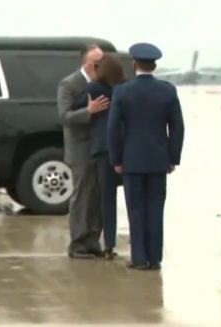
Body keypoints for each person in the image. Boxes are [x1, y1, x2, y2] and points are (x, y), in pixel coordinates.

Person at [107, 42, 184, 270]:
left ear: (134, 65)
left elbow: (112, 129)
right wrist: (173, 157)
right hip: (159, 159)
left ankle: (139, 258)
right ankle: (155, 258)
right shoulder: (168, 90)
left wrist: (116, 159)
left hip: (131, 159)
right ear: (155, 65)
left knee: (136, 209)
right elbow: (177, 128)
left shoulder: (122, 91)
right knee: (155, 208)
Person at [57, 44, 108, 259]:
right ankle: (77, 243)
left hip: (100, 147)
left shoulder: (104, 82)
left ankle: (93, 240)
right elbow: (65, 117)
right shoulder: (69, 84)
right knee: (82, 196)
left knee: (97, 196)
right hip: (80, 148)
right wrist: (88, 111)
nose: (100, 65)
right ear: (87, 63)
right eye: (97, 61)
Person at [73, 54, 126, 259]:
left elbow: (77, 108)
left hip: (103, 149)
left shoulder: (94, 89)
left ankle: (109, 244)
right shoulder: (123, 89)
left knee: (106, 197)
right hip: (125, 147)